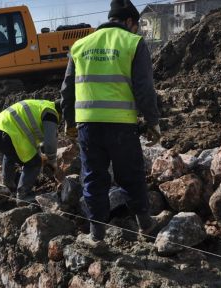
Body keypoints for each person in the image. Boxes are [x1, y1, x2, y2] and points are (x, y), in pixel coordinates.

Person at [60, 0, 161, 249]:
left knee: (93, 177)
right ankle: (146, 225)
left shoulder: (80, 45)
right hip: (121, 125)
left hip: (88, 127)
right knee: (130, 173)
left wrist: (69, 122)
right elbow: (144, 88)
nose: (136, 30)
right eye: (136, 25)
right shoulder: (133, 43)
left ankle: (97, 237)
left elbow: (67, 89)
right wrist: (152, 122)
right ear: (128, 21)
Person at [0, 99, 61, 205]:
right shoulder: (51, 113)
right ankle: (23, 196)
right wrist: (52, 161)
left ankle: (9, 185)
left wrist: (41, 151)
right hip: (6, 134)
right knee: (34, 163)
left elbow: (38, 136)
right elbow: (50, 143)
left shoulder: (41, 105)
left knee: (10, 154)